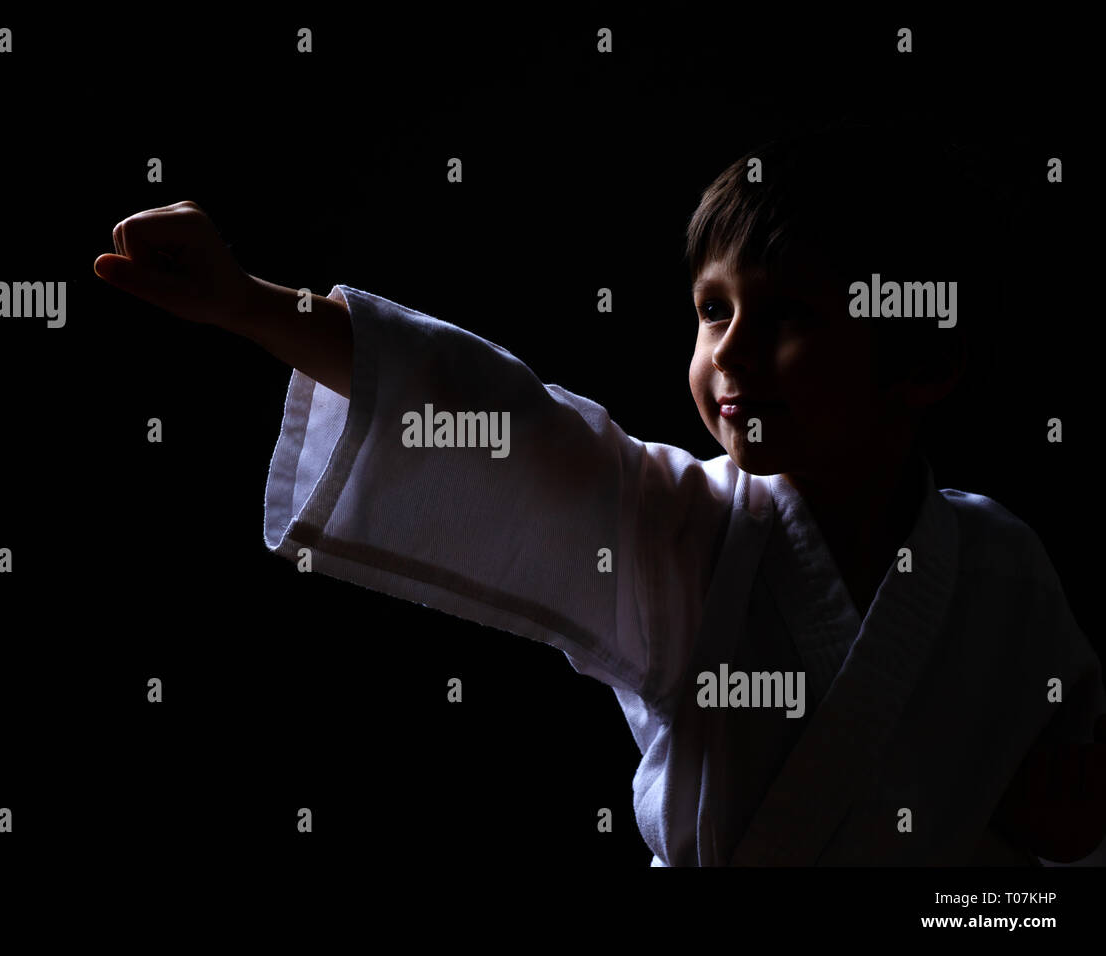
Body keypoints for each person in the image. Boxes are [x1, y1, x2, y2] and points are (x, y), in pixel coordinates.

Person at [92, 120, 1105, 865]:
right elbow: (515, 426)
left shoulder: (999, 561)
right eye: (712, 311)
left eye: (789, 311)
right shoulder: (680, 528)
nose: (732, 354)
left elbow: (1065, 795)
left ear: (922, 358)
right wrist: (253, 305)